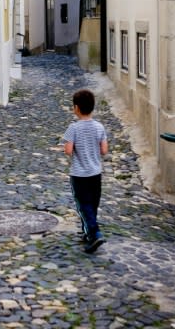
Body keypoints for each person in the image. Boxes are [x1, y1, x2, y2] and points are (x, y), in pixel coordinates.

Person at [63, 89, 108, 253]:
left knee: (83, 205)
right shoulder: (99, 127)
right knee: (93, 203)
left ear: (76, 108)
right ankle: (88, 230)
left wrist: (72, 146)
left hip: (79, 174)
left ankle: (95, 234)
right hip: (95, 173)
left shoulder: (73, 128)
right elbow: (104, 150)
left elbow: (68, 151)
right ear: (93, 107)